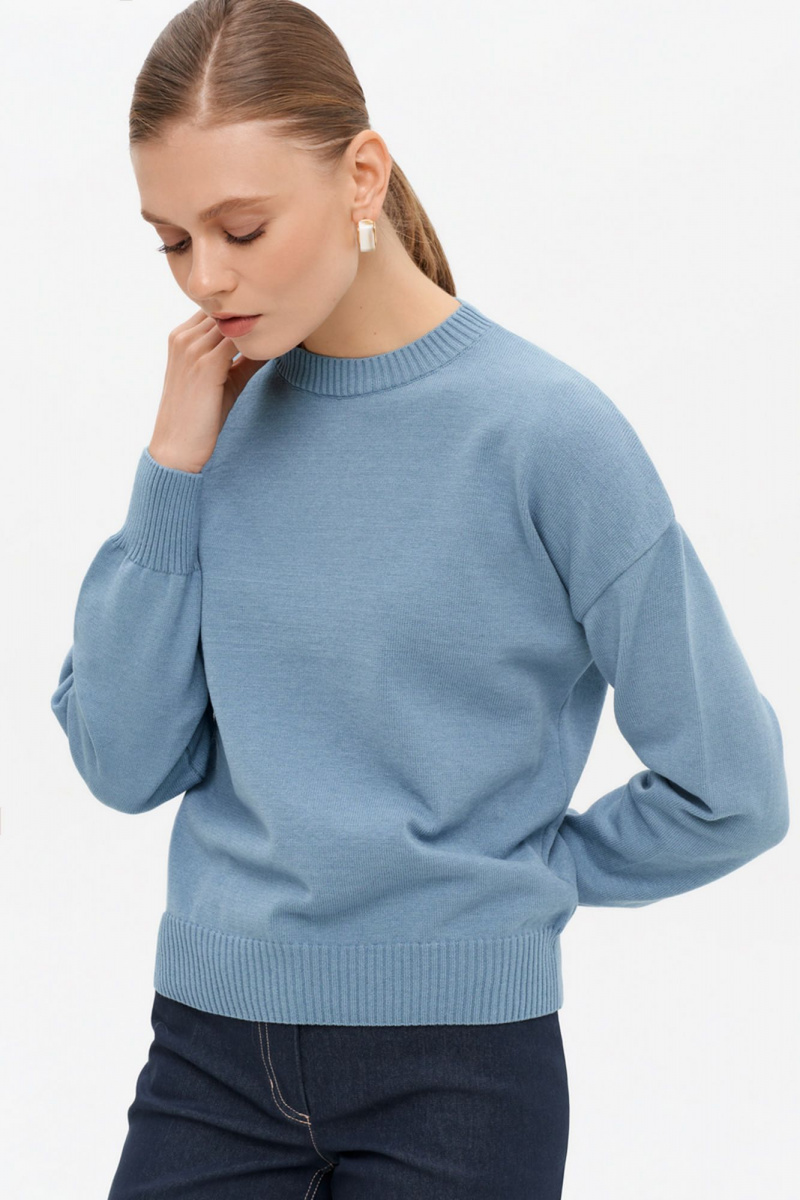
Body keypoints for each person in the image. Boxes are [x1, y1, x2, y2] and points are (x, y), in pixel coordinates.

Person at [49, 1, 790, 1197]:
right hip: (204, 1057)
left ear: (361, 175)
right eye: (172, 241)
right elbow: (123, 762)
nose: (207, 277)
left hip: (459, 1079)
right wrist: (172, 466)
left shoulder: (546, 435)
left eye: (241, 228)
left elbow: (733, 791)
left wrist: (510, 887)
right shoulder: (213, 424)